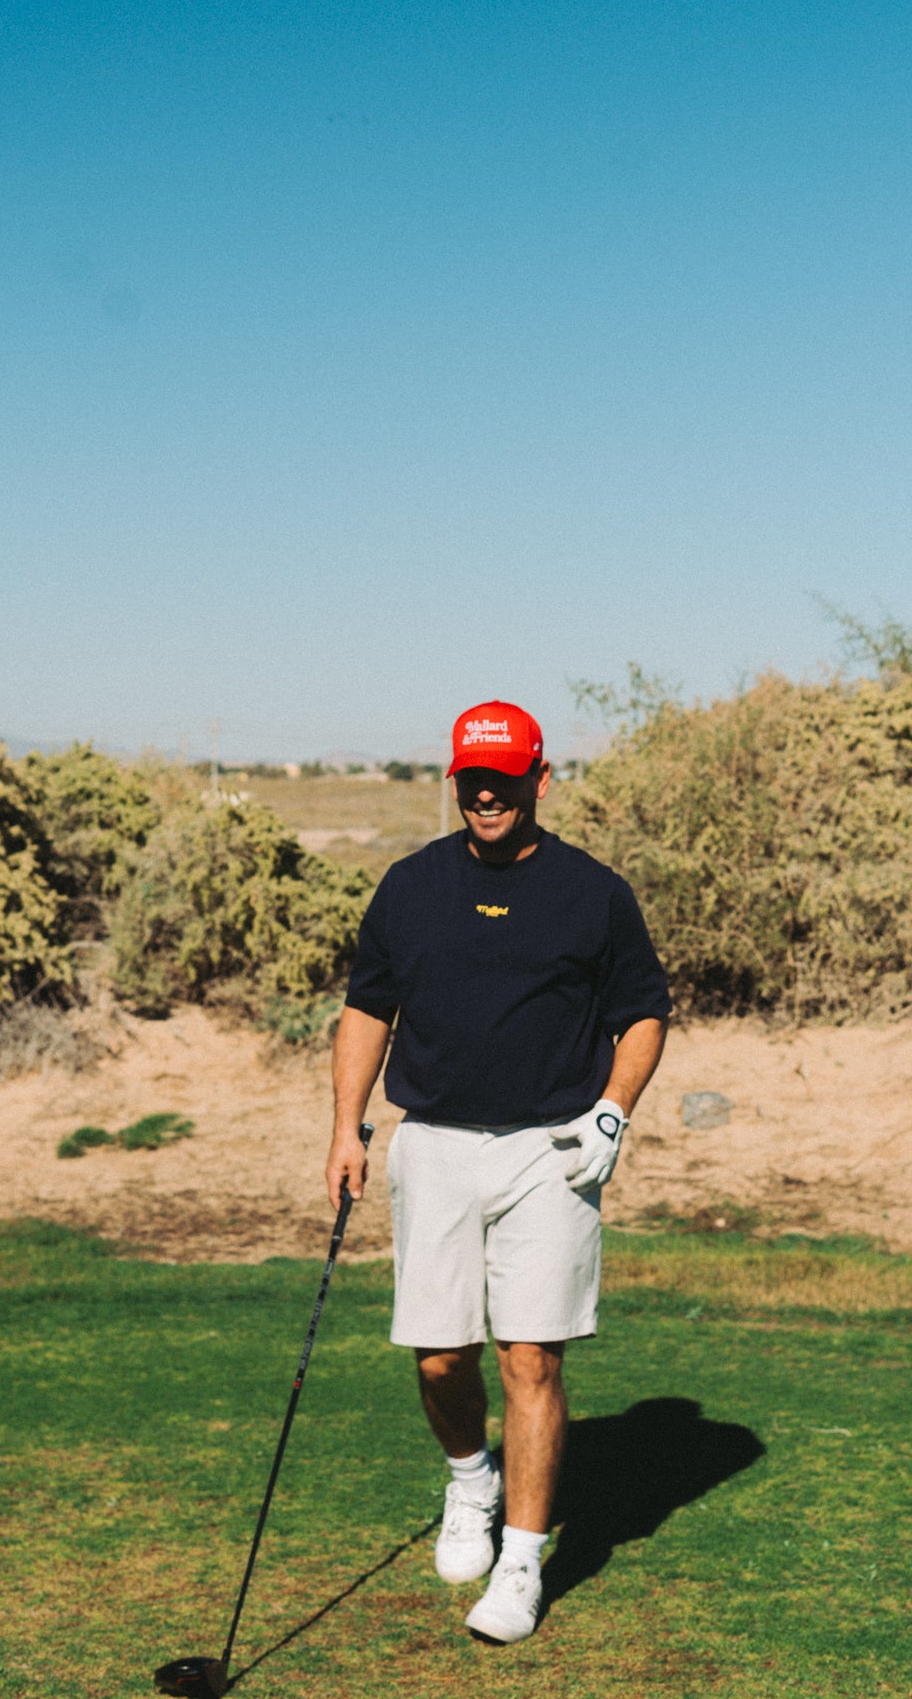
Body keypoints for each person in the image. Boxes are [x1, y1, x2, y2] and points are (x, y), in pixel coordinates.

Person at [324, 699, 671, 1644]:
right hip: (432, 1142)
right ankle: (470, 1482)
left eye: (505, 778)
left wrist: (612, 1110)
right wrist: (346, 1127)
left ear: (539, 779)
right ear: (455, 780)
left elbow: (644, 1012)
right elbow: (367, 1010)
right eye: (471, 779)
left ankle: (521, 1562)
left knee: (531, 1355)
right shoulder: (408, 886)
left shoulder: (592, 893)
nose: (486, 794)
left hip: (550, 1150)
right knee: (440, 1356)